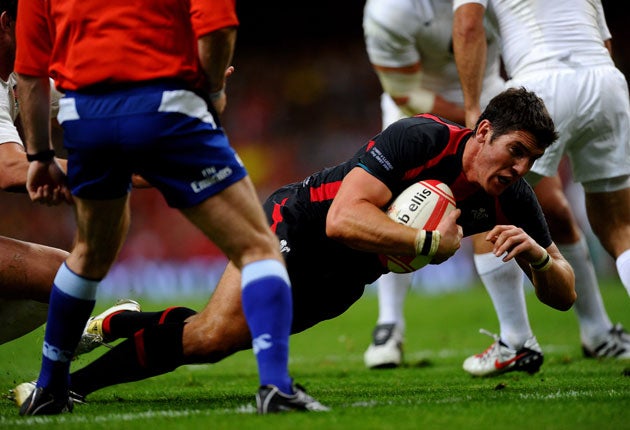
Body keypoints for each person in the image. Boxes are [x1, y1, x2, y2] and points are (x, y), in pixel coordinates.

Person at [13, 87, 577, 413]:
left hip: (346, 279)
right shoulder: (421, 138)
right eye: (516, 150)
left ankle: (122, 327)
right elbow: (342, 219)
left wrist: (537, 256)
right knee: (216, 336)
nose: (521, 167)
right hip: (297, 223)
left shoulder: (514, 198)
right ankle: (63, 389)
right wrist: (431, 241)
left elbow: (564, 296)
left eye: (530, 159)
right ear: (482, 133)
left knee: (212, 336)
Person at [14, 0, 317, 416]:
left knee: (87, 255)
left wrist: (41, 156)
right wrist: (211, 95)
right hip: (166, 106)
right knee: (257, 248)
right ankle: (277, 389)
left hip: (87, 120)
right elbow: (219, 25)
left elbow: (29, 73)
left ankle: (49, 388)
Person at [361, 0, 625, 374]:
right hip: (418, 122)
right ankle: (390, 325)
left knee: (555, 210)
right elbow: (405, 92)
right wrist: (474, 120)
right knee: (402, 214)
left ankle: (597, 330)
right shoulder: (390, 10)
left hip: (491, 114)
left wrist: (491, 120)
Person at [452, 0, 630, 371]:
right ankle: (598, 333)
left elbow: (468, 25)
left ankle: (515, 341)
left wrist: (472, 109)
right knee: (621, 229)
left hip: (541, 82)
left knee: (486, 205)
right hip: (605, 78)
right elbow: (604, 39)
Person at [0, 0, 73, 345]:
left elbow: (88, 91)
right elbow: (10, 168)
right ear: (7, 25)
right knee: (70, 277)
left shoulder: (14, 78)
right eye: (36, 24)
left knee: (65, 276)